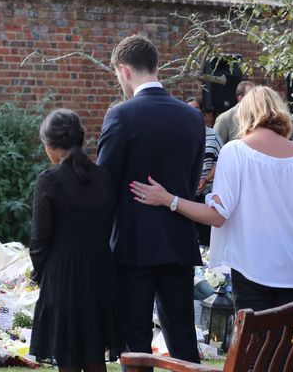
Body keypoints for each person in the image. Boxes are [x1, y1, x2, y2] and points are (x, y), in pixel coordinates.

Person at [129, 86, 293, 314]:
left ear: (244, 114)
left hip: (253, 266)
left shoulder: (236, 151)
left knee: (255, 344)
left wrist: (169, 199)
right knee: (280, 344)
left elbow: (217, 216)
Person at [96, 35, 203, 364]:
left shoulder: (121, 115)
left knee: (137, 341)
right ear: (156, 67)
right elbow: (191, 180)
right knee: (183, 337)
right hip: (178, 241)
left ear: (124, 70)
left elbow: (104, 184)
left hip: (134, 245)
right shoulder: (192, 117)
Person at [29, 108, 123, 372]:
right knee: (94, 355)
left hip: (63, 275)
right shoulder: (104, 177)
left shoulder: (50, 180)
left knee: (67, 357)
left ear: (51, 146)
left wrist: (39, 273)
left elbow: (39, 239)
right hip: (101, 271)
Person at [186, 97, 223, 246]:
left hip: (206, 192)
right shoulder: (181, 134)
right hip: (186, 193)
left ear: (201, 112)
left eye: (196, 109)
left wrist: (205, 179)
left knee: (207, 237)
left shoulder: (213, 135)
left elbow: (220, 161)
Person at [213, 80, 255, 144]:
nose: (255, 99)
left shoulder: (260, 117)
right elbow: (215, 148)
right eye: (251, 96)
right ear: (240, 98)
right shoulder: (224, 119)